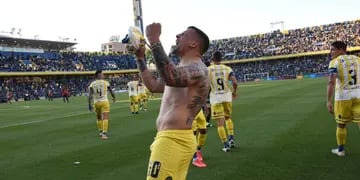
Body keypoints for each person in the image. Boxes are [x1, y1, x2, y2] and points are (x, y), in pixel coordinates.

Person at [134, 23, 210, 180]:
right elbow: (154, 86)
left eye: (183, 34)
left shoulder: (198, 68)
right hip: (171, 137)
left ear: (194, 43)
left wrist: (153, 39)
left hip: (174, 139)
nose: (177, 36)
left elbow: (172, 77)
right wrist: (140, 58)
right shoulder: (183, 67)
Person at [327, 41, 360, 156]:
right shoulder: (357, 59)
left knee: (341, 124)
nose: (330, 52)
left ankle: (340, 150)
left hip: (343, 97)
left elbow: (331, 82)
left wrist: (328, 101)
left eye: (332, 49)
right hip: (359, 94)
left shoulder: (334, 62)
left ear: (341, 49)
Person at [208, 51, 238, 152]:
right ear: (221, 59)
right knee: (228, 118)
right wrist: (234, 92)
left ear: (212, 59)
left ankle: (225, 145)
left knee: (220, 124)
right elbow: (235, 82)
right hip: (227, 96)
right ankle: (231, 138)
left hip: (216, 98)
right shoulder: (227, 68)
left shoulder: (208, 69)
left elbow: (204, 84)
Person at [88, 70, 115, 140]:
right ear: (99, 75)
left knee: (98, 117)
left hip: (96, 102)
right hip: (104, 102)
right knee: (105, 117)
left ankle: (100, 131)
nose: (103, 75)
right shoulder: (106, 82)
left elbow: (90, 95)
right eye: (102, 74)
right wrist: (114, 97)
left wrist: (89, 105)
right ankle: (104, 133)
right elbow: (111, 91)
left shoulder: (92, 84)